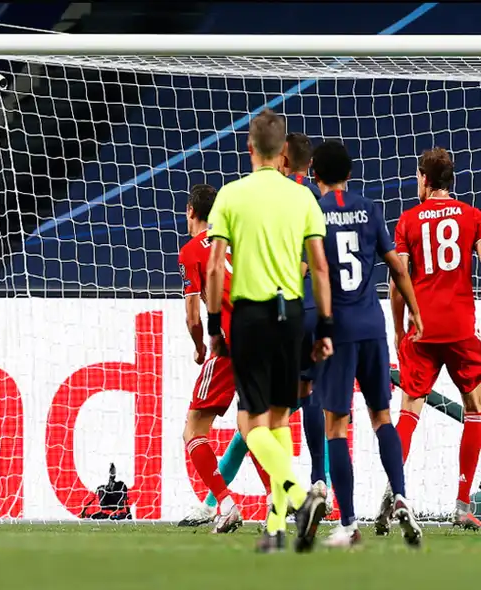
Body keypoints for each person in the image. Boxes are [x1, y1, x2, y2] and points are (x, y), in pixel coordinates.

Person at [205, 108, 333, 553]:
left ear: (250, 148)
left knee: (249, 420)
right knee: (281, 418)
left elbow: (216, 267)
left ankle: (299, 498)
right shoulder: (303, 199)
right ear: (283, 154)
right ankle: (275, 528)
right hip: (295, 316)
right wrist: (325, 325)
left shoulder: (231, 195)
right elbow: (319, 265)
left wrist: (213, 326)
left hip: (252, 317)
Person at [310, 140, 423, 548]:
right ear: (351, 173)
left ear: (313, 175)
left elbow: (312, 269)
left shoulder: (315, 212)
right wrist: (415, 312)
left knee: (335, 425)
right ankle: (402, 497)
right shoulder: (371, 209)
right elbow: (397, 265)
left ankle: (349, 523)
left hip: (338, 329)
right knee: (382, 417)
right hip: (373, 324)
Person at [382, 147, 481, 532]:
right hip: (459, 327)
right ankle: (461, 503)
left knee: (410, 408)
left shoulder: (408, 220)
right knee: (475, 404)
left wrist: (398, 327)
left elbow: (396, 282)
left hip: (422, 328)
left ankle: (395, 494)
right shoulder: (472, 216)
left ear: (425, 178)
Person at [178, 183, 271, 533]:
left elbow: (192, 316)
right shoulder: (238, 237)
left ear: (191, 212)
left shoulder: (191, 251)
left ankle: (226, 504)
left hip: (230, 343)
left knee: (193, 429)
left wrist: (201, 347)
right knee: (252, 427)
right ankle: (276, 504)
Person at [284, 132, 330, 502]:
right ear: (310, 164)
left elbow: (301, 256)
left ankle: (282, 489)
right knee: (309, 390)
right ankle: (319, 479)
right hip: (315, 305)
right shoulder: (316, 197)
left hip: (285, 304)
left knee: (277, 399)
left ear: (284, 159)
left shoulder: (279, 194)